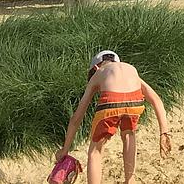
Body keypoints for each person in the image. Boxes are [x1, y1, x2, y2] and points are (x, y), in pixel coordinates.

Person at [56, 50, 172, 184]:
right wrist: (164, 132)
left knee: (95, 150)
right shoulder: (128, 68)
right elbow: (156, 100)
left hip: (111, 101)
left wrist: (65, 149)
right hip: (134, 101)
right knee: (129, 134)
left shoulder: (99, 72)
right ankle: (130, 180)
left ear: (96, 67)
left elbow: (77, 118)